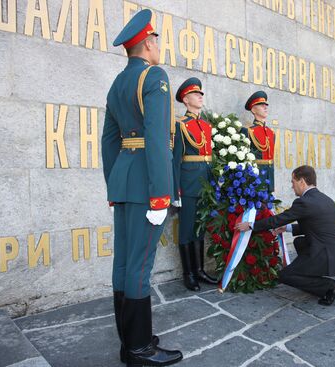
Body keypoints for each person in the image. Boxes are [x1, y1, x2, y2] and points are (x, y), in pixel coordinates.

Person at [101, 9, 182, 367]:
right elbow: (156, 138)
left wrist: (113, 185)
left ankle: (129, 340)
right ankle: (139, 350)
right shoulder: (155, 76)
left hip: (123, 182)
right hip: (148, 184)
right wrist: (162, 193)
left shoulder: (118, 83)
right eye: (157, 41)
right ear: (148, 43)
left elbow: (109, 142)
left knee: (124, 261)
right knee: (140, 265)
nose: (158, 47)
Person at [235, 165, 335, 305]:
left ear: (302, 181)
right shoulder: (325, 199)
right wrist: (286, 228)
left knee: (285, 275)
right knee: (299, 242)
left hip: (326, 254)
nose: (292, 186)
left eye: (293, 182)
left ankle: (330, 286)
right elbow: (314, 225)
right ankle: (312, 278)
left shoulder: (304, 201)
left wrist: (251, 225)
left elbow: (278, 219)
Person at [172, 77, 218, 291]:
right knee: (187, 231)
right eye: (196, 94)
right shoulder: (180, 126)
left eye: (201, 94)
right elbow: (175, 160)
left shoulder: (206, 127)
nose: (200, 97)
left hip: (205, 184)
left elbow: (209, 158)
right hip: (188, 184)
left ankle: (199, 270)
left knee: (200, 229)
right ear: (186, 99)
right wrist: (175, 190)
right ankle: (188, 273)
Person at [241, 91, 275, 192]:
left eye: (266, 105)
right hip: (256, 178)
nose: (265, 107)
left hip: (269, 177)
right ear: (253, 109)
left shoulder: (271, 132)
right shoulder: (248, 131)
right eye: (261, 105)